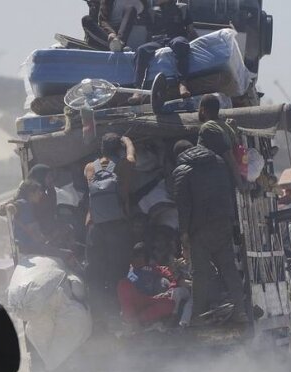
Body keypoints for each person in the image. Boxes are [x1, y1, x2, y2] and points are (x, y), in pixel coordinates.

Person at [172, 140, 250, 328]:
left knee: (200, 274)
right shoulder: (219, 163)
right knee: (228, 268)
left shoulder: (182, 170)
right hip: (223, 223)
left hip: (199, 230)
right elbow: (230, 192)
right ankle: (240, 311)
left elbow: (183, 206)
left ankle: (198, 315)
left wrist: (183, 234)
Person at [84, 134, 136, 325]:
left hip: (95, 228)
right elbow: (132, 154)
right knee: (118, 270)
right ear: (118, 149)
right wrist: (127, 140)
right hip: (118, 227)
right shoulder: (124, 165)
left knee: (96, 271)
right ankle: (118, 312)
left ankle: (97, 316)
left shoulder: (89, 168)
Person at [129, 0, 197, 104]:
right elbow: (149, 34)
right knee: (141, 50)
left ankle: (182, 84)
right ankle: (138, 91)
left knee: (180, 44)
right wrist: (148, 47)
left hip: (176, 37)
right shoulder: (152, 11)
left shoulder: (182, 9)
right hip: (158, 40)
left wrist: (198, 42)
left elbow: (191, 30)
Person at [117, 242, 191, 328]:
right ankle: (130, 320)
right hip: (132, 301)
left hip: (147, 300)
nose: (137, 259)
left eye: (141, 257)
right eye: (135, 256)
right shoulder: (129, 268)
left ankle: (138, 321)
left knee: (169, 304)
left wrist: (171, 289)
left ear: (146, 258)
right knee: (123, 284)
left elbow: (170, 275)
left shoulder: (153, 268)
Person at [197, 94, 243, 187]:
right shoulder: (225, 126)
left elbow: (229, 155)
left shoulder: (208, 127)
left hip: (216, 182)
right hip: (225, 181)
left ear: (202, 110)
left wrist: (240, 184)